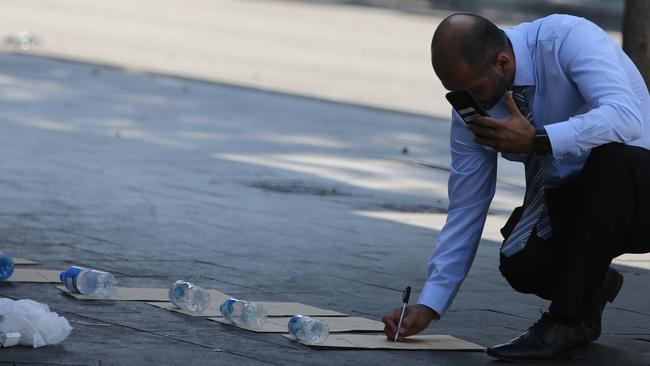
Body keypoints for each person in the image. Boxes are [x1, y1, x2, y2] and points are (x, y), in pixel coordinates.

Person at [382, 13, 650, 361]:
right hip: (578, 205)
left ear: (503, 62)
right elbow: (466, 204)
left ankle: (565, 322)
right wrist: (430, 304)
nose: (472, 103)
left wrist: (540, 139)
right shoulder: (473, 103)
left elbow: (625, 116)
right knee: (522, 262)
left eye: (475, 90)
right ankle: (591, 286)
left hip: (638, 193)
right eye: (457, 92)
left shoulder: (568, 39)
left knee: (610, 162)